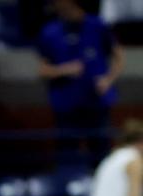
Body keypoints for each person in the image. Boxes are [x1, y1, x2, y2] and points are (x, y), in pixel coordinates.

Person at [37, 0, 123, 166]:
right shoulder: (50, 31)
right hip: (66, 105)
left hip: (96, 103)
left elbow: (119, 56)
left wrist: (108, 79)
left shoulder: (98, 25)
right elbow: (43, 70)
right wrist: (65, 70)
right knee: (68, 155)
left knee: (101, 155)